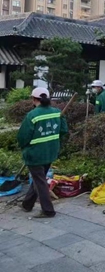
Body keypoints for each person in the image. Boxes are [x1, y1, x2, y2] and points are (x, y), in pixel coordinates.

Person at [17, 87, 68, 218]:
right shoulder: (57, 112)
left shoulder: (32, 115)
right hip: (50, 152)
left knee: (40, 181)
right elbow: (63, 130)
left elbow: (23, 137)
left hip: (35, 154)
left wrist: (25, 147)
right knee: (38, 179)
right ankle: (27, 204)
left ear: (34, 99)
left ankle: (48, 210)